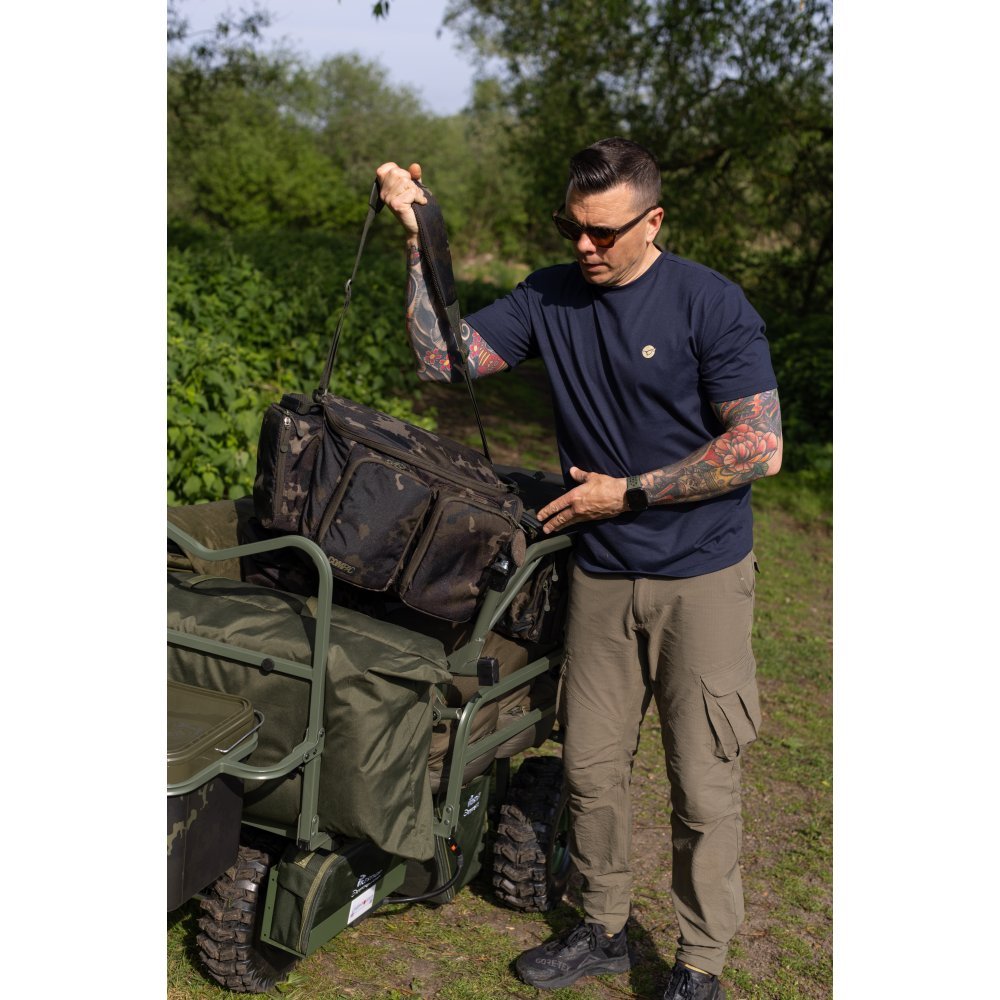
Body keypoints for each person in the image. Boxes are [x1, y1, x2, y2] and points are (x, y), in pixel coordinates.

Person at [376, 137, 781, 1000]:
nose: (586, 247)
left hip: (700, 578)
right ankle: (601, 928)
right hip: (599, 576)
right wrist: (418, 238)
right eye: (573, 229)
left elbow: (759, 446)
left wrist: (627, 493)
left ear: (653, 221)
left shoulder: (709, 303)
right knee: (592, 772)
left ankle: (700, 964)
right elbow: (444, 360)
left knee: (702, 784)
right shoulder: (549, 296)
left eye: (604, 232)